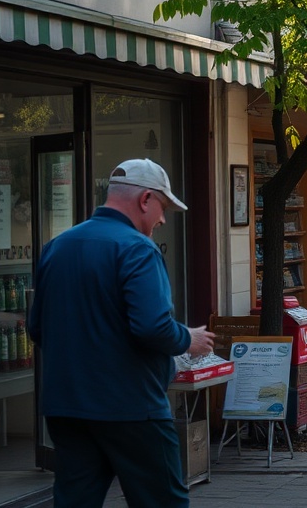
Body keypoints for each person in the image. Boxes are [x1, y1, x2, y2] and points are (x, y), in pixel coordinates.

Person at [28, 159, 215, 508]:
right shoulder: (137, 248)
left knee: (75, 500)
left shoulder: (57, 246)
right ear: (145, 199)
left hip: (66, 406)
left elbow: (37, 327)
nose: (162, 220)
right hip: (132, 407)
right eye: (163, 208)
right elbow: (153, 326)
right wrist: (188, 338)